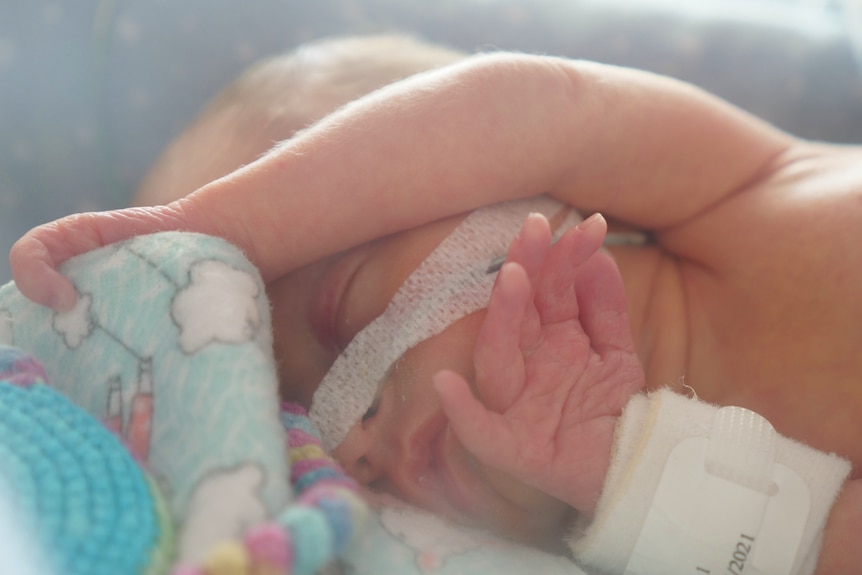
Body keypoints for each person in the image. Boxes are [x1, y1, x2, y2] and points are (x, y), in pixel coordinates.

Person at [9, 35, 862, 573]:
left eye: (341, 313)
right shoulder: (730, 534)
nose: (358, 441)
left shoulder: (738, 197)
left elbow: (544, 108)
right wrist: (633, 492)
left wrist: (210, 229)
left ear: (502, 184)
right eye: (306, 425)